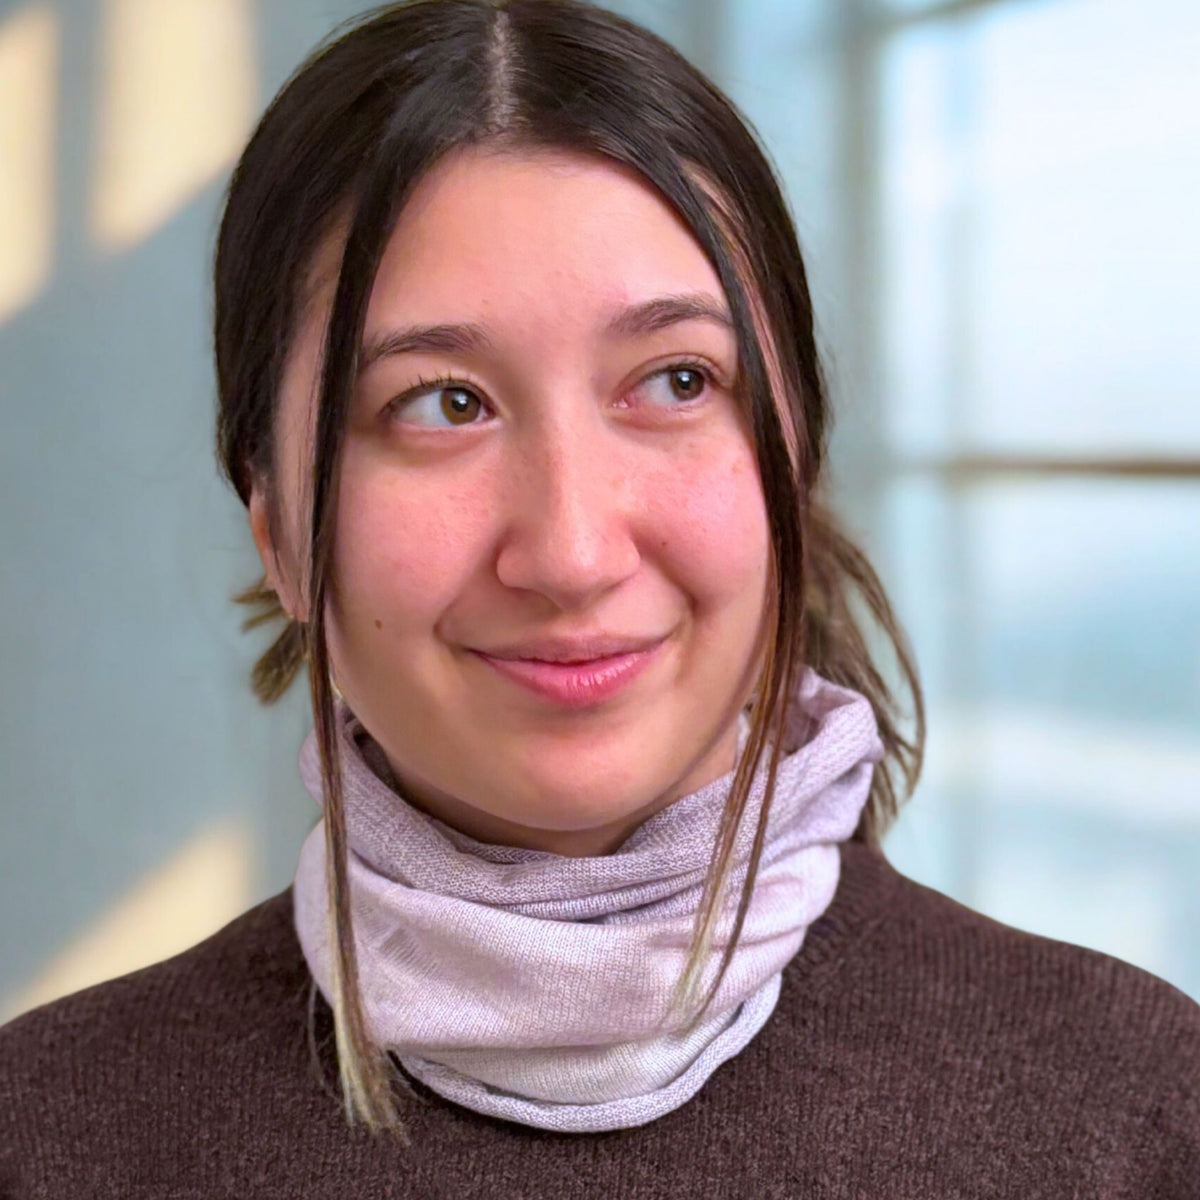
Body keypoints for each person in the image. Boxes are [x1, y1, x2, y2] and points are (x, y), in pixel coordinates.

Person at [2, 0, 1197, 1194]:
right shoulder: (50, 1139)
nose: (571, 551)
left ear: (795, 458)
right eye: (441, 403)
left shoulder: (1133, 1116)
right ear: (278, 531)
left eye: (676, 380)